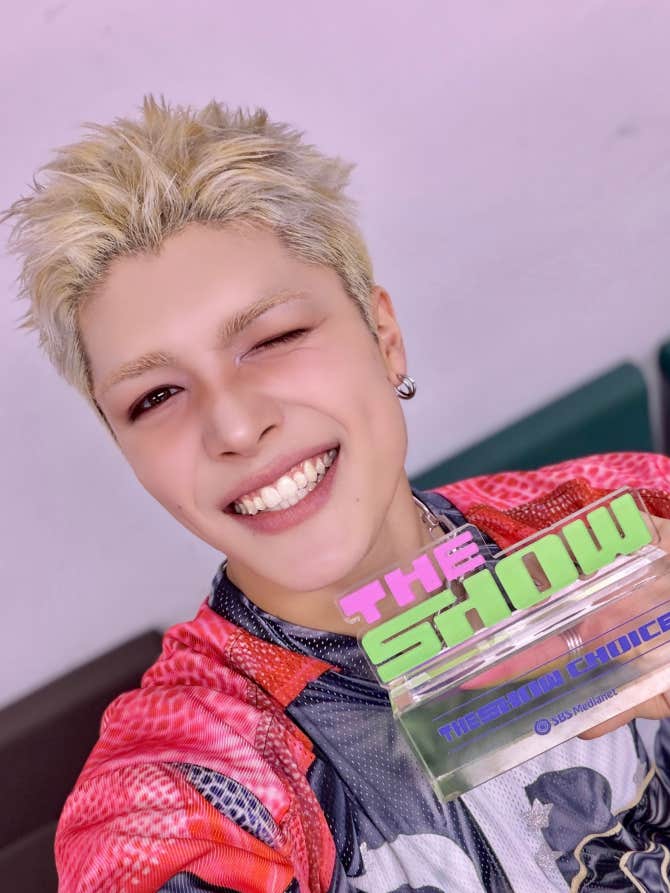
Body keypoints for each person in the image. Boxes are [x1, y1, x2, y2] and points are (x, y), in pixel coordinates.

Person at [3, 94, 670, 893]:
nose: (235, 425)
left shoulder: (631, 505)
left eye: (275, 337)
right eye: (155, 397)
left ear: (385, 339)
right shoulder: (173, 794)